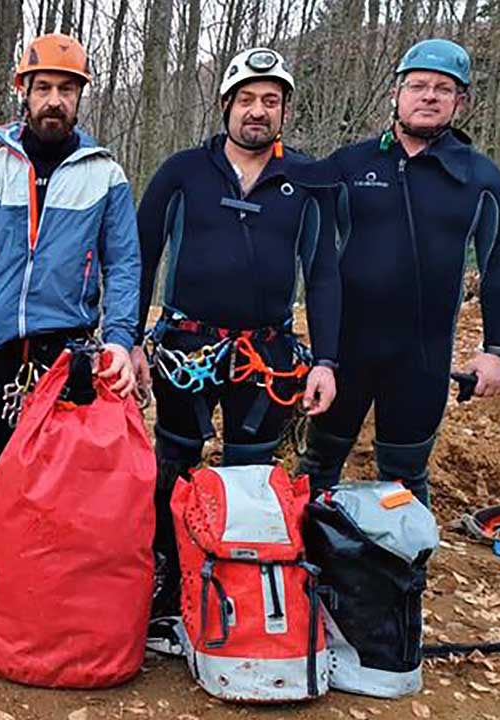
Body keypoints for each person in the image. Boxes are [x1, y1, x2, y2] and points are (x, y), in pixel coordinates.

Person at [0, 33, 140, 622]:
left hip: (64, 350)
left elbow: (124, 264)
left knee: (59, 473)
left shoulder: (105, 175)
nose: (55, 100)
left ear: (80, 98)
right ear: (22, 92)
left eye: (67, 90)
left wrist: (122, 340)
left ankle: (44, 573)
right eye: (44, 87)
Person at [133, 47, 340, 621]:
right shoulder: (182, 172)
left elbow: (323, 274)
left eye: (270, 101)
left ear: (285, 111)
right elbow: (141, 258)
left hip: (266, 354)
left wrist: (326, 361)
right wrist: (127, 337)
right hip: (184, 345)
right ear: (226, 106)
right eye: (246, 99)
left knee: (251, 470)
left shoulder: (309, 179)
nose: (257, 111)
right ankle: (166, 574)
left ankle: (239, 584)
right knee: (175, 459)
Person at [299, 38, 500, 506]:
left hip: (421, 357)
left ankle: (402, 577)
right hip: (344, 351)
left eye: (444, 88)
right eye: (418, 85)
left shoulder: (480, 179)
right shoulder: (350, 164)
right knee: (318, 467)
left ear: (462, 102)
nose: (429, 96)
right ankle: (305, 573)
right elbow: (285, 213)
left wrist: (496, 350)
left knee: (404, 478)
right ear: (396, 94)